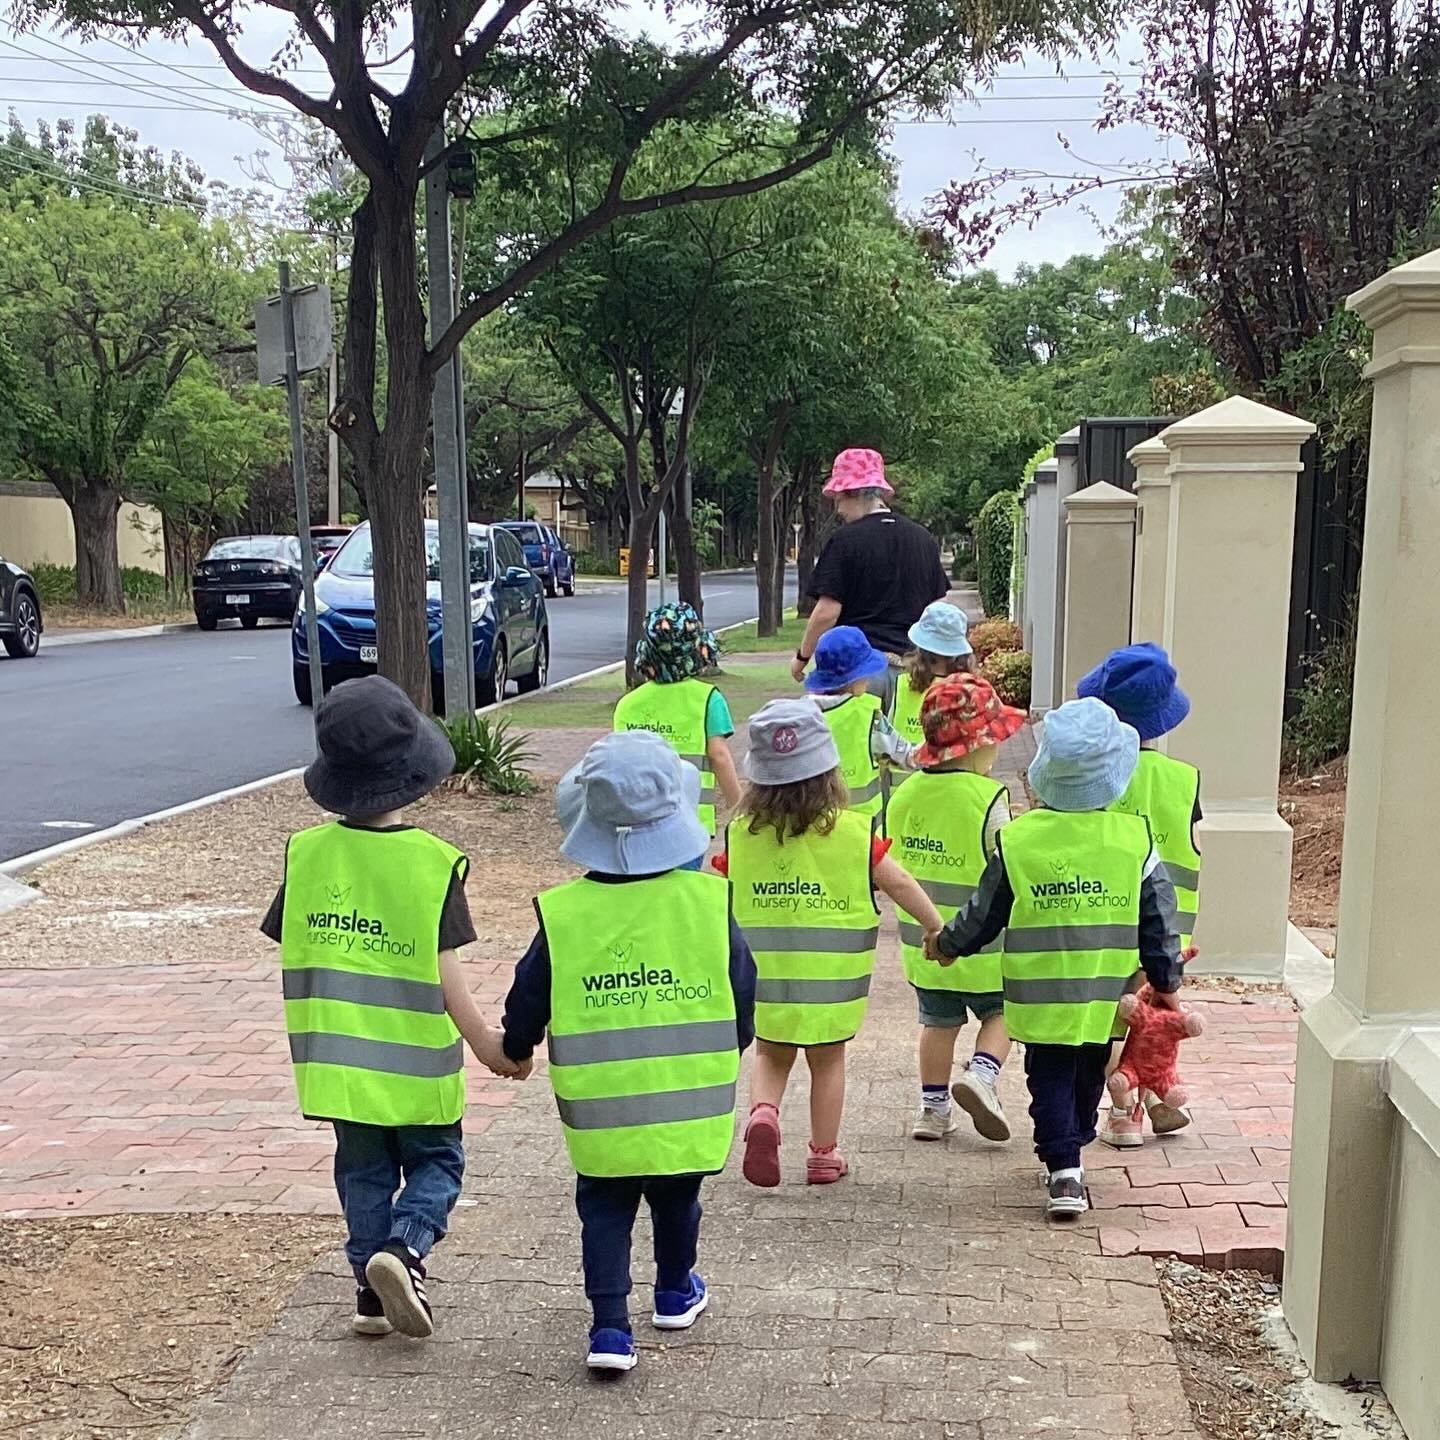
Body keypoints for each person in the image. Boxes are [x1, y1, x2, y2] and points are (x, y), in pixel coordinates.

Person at [259, 675, 518, 1341]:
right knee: (438, 1164)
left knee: (363, 1175)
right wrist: (489, 1046)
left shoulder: (306, 856)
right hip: (417, 1068)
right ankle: (405, 1251)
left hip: (339, 1065)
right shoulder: (433, 865)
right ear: (416, 774)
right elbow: (445, 974)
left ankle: (369, 1297)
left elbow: (295, 937)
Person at [500, 731, 756, 1375]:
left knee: (604, 1206)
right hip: (687, 1094)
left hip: (601, 1104)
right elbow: (741, 983)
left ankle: (610, 1327)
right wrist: (734, 1043)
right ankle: (674, 1291)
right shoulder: (708, 902)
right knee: (678, 1195)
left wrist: (517, 1045)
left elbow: (530, 990)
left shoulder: (565, 913)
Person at [926, 698, 1186, 1219]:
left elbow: (985, 912)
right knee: (1089, 1075)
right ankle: (1071, 1154)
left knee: (1048, 1076)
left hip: (1039, 997)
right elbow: (1158, 919)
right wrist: (1166, 983)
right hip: (1103, 996)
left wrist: (947, 945)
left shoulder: (1019, 840)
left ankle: (1063, 1163)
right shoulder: (1134, 840)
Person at [721, 700, 943, 1187]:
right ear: (828, 773)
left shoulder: (740, 836)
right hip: (832, 982)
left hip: (765, 976)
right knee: (827, 1062)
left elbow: (716, 893)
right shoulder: (854, 834)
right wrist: (934, 926)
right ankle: (823, 1155)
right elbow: (899, 881)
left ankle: (764, 1112)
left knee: (770, 1052)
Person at [887, 673, 1025, 1142]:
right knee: (1002, 1013)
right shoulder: (989, 799)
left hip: (924, 946)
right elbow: (1007, 865)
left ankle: (932, 1109)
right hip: (985, 947)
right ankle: (982, 1074)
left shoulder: (903, 796)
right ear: (977, 745)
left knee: (937, 1023)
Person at [1077, 643, 1203, 1147]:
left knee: (1115, 1020)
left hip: (1108, 921)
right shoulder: (1184, 780)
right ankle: (1153, 1098)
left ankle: (1123, 1112)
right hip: (1170, 933)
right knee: (1155, 1019)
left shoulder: (1098, 777)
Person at [791, 448, 950, 707]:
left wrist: (802, 657)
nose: (838, 509)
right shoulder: (922, 539)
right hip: (914, 672)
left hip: (861, 674)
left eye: (839, 500)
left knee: (858, 732)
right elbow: (937, 607)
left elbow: (827, 612)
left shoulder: (844, 541)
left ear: (855, 494)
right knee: (905, 734)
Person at [613, 602, 741, 854]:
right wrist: (739, 809)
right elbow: (719, 756)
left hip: (638, 820)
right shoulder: (708, 699)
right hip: (690, 821)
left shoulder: (627, 705)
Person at [804, 625, 915, 827]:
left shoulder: (801, 715)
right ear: (856, 677)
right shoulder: (869, 714)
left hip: (815, 828)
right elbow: (905, 755)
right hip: (863, 831)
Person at [887, 600, 975, 799]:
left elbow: (889, 742)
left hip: (904, 796)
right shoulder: (968, 691)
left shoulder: (902, 684)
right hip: (952, 795)